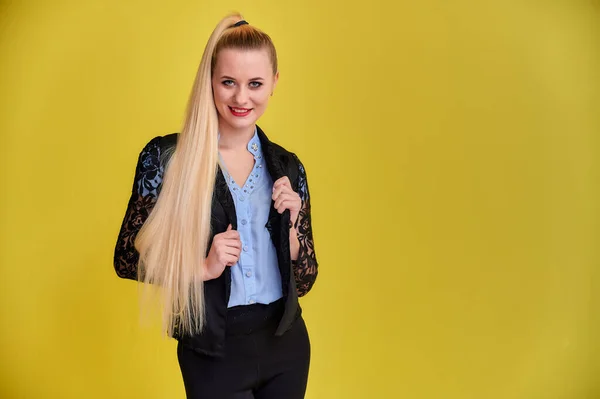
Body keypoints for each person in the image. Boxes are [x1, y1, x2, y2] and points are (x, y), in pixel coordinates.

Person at [113, 12, 318, 399]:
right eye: (229, 82)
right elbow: (126, 258)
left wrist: (292, 229)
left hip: (285, 345)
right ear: (210, 81)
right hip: (213, 351)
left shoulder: (288, 167)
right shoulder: (169, 158)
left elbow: (304, 280)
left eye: (255, 83)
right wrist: (204, 268)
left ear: (274, 83)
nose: (242, 98)